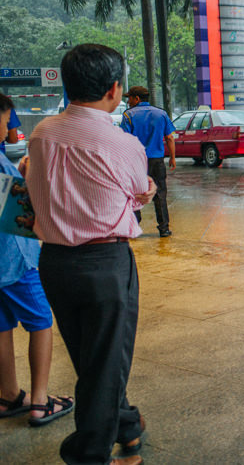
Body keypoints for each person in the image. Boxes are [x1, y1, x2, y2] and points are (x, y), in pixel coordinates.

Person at [27, 44, 155, 465]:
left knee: (92, 358)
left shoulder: (43, 133)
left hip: (55, 263)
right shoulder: (124, 145)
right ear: (115, 89)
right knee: (103, 362)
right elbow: (138, 193)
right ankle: (89, 455)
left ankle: (128, 426)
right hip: (106, 265)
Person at [0, 94, 74, 427]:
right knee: (41, 322)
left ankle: (8, 394)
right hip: (13, 262)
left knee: (1, 326)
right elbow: (19, 215)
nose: (8, 129)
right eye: (5, 122)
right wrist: (29, 182)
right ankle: (41, 401)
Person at [120, 86, 176, 237]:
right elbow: (170, 137)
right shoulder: (161, 113)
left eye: (129, 98)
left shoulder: (128, 115)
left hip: (136, 161)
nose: (128, 101)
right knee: (160, 194)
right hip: (157, 161)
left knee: (134, 193)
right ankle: (164, 228)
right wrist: (172, 157)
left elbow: (124, 140)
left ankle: (134, 227)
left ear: (137, 99)